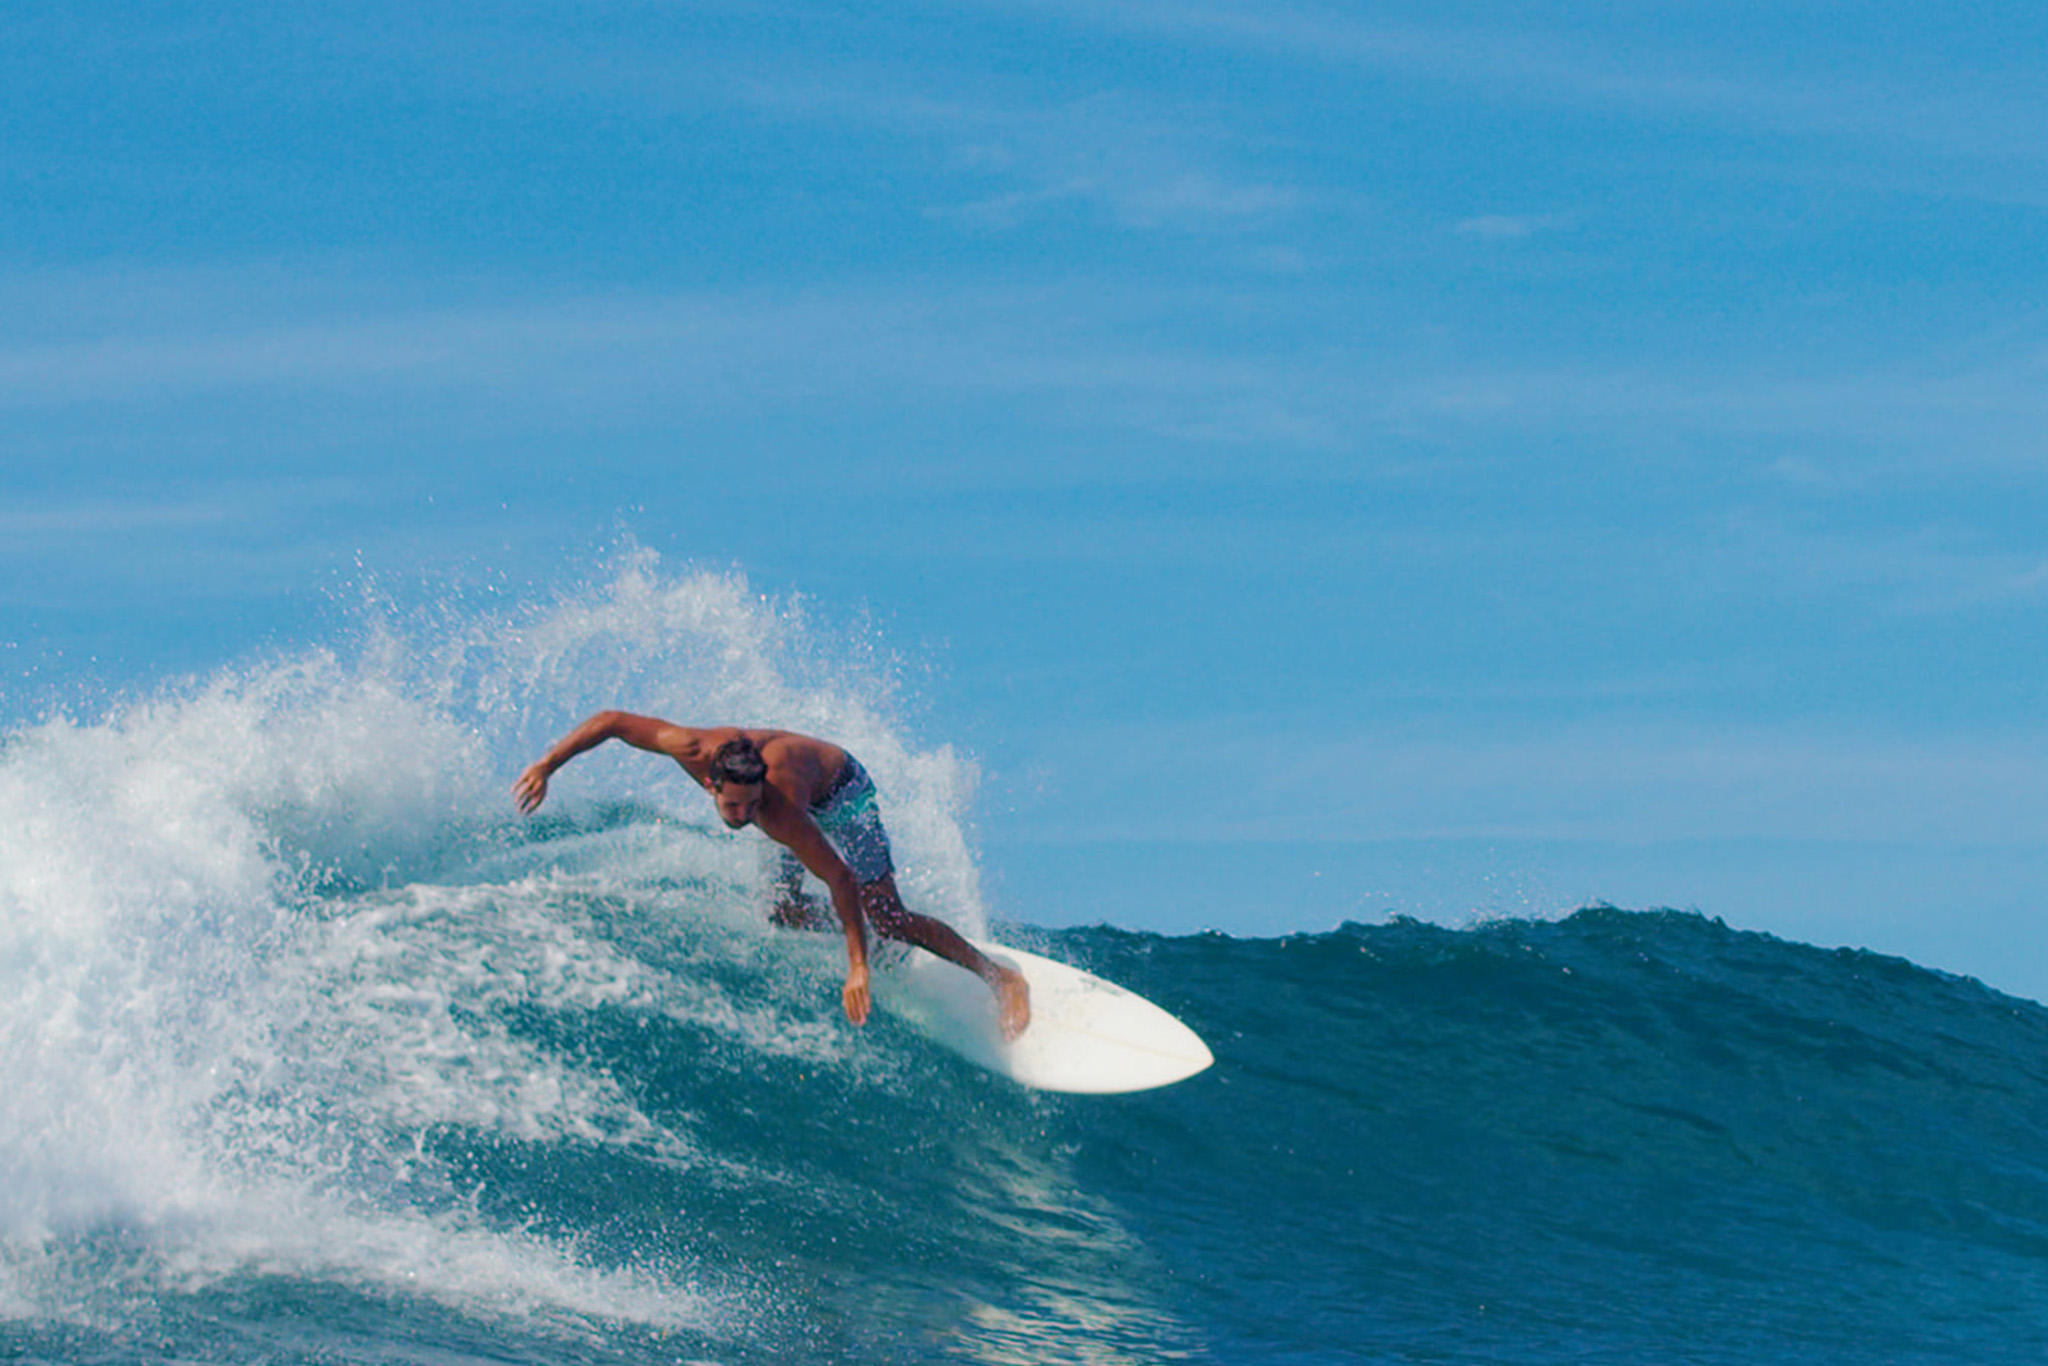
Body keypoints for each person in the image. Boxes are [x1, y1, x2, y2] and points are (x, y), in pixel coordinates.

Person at [512, 712, 1030, 1039]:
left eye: (750, 806)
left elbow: (840, 878)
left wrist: (856, 966)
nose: (741, 816)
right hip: (795, 789)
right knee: (783, 912)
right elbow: (611, 722)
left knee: (889, 916)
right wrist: (546, 766)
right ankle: (868, 937)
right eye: (733, 806)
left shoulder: (778, 814)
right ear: (711, 783)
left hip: (842, 792)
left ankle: (1000, 978)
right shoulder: (690, 748)